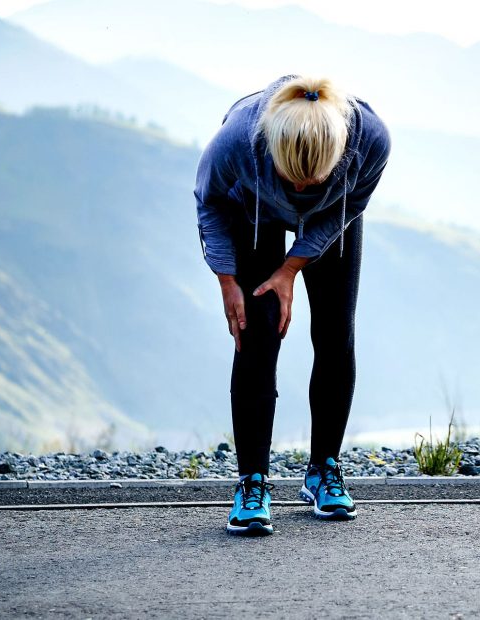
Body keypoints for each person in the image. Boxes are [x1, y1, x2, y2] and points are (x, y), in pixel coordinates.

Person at [194, 74, 391, 536]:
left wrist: (290, 268)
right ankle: (252, 482)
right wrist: (227, 280)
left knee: (334, 331)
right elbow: (209, 204)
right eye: (292, 180)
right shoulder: (236, 142)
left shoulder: (371, 142)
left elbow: (352, 205)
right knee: (255, 331)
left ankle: (324, 468)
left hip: (332, 216)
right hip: (252, 210)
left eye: (313, 181)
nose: (301, 191)